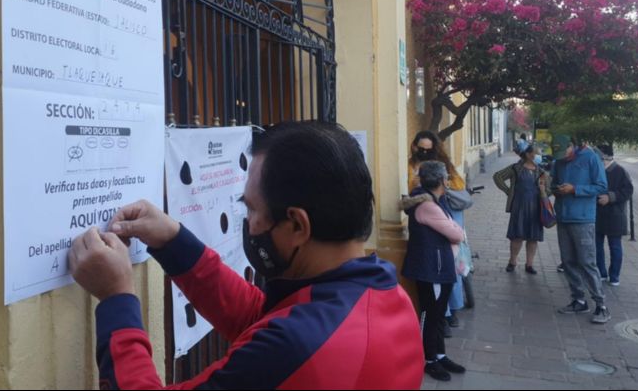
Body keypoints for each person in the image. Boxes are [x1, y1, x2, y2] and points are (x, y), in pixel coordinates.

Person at [68, 121, 424, 390]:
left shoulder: (298, 345)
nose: (249, 223)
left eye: (251, 209)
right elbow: (262, 317)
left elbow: (280, 337)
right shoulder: (385, 296)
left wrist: (117, 297)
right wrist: (173, 242)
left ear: (298, 225)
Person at [401, 161, 467, 382]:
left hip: (439, 266)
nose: (448, 181)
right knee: (431, 315)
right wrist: (458, 235)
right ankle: (427, 359)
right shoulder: (428, 205)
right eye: (446, 178)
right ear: (440, 181)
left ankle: (439, 355)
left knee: (438, 315)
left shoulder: (435, 200)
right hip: (432, 269)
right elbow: (457, 234)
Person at [550, 134, 611, 324]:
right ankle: (578, 299)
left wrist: (575, 189)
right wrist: (555, 189)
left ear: (572, 145)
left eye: (565, 152)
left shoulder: (591, 158)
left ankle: (601, 305)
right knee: (567, 261)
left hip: (583, 218)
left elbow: (601, 186)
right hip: (563, 217)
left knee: (587, 262)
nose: (563, 157)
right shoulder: (558, 162)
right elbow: (554, 184)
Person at [493, 145, 548, 274]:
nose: (539, 156)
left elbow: (549, 188)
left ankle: (529, 264)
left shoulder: (541, 172)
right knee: (517, 236)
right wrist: (508, 191)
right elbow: (497, 176)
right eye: (537, 153)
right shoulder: (516, 168)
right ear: (528, 154)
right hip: (519, 206)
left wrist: (543, 191)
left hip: (536, 207)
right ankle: (512, 261)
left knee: (533, 237)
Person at [595, 144, 634, 287]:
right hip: (598, 214)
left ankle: (614, 275)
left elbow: (628, 191)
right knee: (597, 245)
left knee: (615, 246)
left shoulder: (620, 171)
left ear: (605, 157)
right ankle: (601, 272)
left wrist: (610, 197)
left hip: (615, 215)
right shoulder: (597, 170)